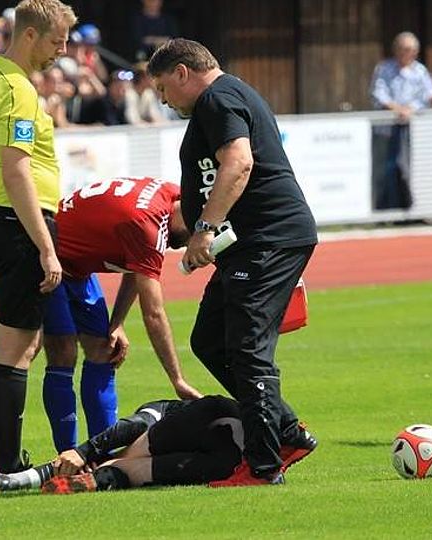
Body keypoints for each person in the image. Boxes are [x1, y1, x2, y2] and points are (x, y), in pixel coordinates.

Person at [147, 38, 319, 487]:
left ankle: (263, 466)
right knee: (210, 340)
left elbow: (238, 163)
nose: (163, 101)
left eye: (163, 88)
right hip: (250, 243)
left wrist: (205, 229)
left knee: (247, 350)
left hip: (267, 239)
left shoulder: (218, 99)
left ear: (182, 72)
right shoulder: (223, 98)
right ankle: (286, 430)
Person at [0, 0, 77, 485]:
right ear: (29, 35)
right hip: (20, 224)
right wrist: (44, 245)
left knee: (13, 344)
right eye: (56, 41)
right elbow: (17, 169)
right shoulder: (17, 88)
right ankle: (9, 466)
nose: (62, 51)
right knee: (19, 350)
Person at [40, 176, 203, 453]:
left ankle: (100, 453)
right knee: (62, 352)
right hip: (48, 261)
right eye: (190, 239)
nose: (184, 245)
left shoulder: (171, 195)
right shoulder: (149, 226)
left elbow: (136, 261)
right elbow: (153, 313)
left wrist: (117, 322)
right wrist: (177, 379)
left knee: (104, 350)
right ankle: (67, 456)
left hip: (77, 266)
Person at [0, 395, 243, 493]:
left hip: (219, 437)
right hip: (221, 447)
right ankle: (96, 473)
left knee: (136, 459)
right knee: (138, 449)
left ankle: (88, 470)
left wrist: (89, 454)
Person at [369, 31, 432, 209]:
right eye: (403, 49)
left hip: (412, 129)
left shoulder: (420, 71)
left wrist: (410, 109)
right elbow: (378, 93)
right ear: (396, 49)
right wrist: (396, 109)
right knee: (383, 169)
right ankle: (382, 209)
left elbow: (426, 96)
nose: (407, 53)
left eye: (411, 50)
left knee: (408, 169)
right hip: (386, 129)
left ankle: (408, 209)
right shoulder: (384, 68)